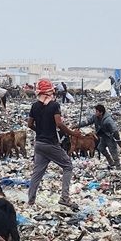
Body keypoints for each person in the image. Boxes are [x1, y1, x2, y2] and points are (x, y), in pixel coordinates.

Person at [27, 79, 84, 210]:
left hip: (39, 144)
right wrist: (72, 133)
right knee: (68, 165)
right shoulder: (54, 106)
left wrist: (40, 130)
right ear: (50, 92)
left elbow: (30, 124)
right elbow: (58, 123)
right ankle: (65, 197)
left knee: (37, 173)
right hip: (50, 144)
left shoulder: (35, 106)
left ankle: (30, 201)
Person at [78, 104, 121, 169]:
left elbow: (115, 130)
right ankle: (110, 161)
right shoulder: (95, 117)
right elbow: (88, 121)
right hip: (103, 136)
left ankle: (118, 168)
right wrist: (78, 125)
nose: (96, 113)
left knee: (113, 152)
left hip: (110, 137)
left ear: (101, 112)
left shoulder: (108, 120)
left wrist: (118, 141)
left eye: (97, 111)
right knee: (100, 148)